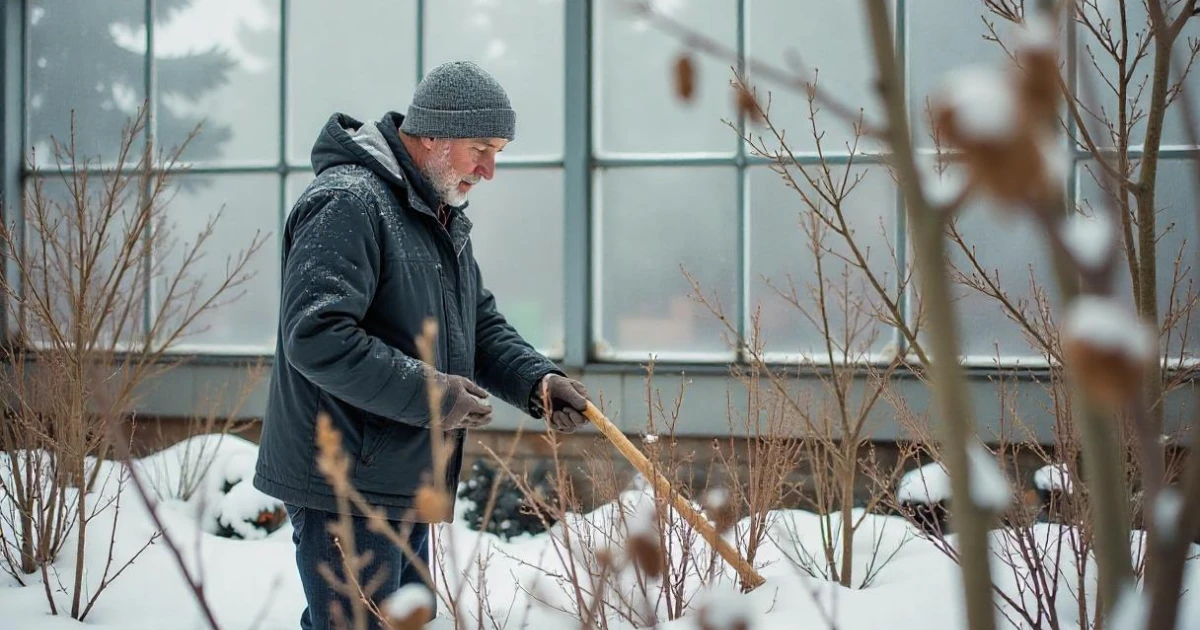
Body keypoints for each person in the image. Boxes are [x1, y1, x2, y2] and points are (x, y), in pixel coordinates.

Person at [252, 60, 592, 630]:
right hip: (345, 481)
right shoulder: (349, 203)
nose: (489, 170)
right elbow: (315, 336)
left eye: (498, 151)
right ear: (432, 133)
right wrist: (431, 395)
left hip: (395, 472)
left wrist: (537, 382)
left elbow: (477, 325)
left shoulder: (431, 213)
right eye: (480, 148)